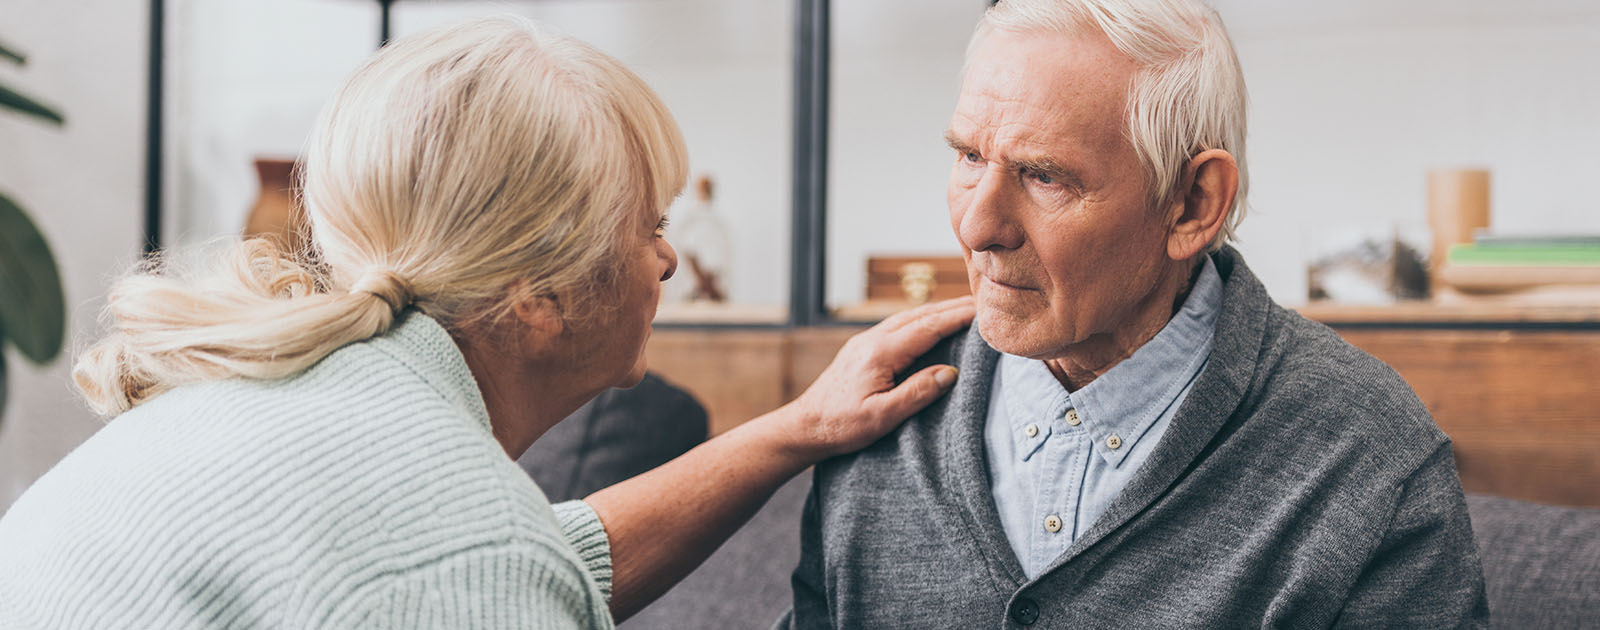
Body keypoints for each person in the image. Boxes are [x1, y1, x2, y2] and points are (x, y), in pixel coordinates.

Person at [0, 17, 974, 630]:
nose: (669, 261)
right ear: (539, 298)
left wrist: (796, 428)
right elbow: (477, 566)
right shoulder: (454, 550)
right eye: (648, 227)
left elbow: (540, 556)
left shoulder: (285, 403)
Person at [783, 1, 1488, 627]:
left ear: (1192, 205)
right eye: (969, 155)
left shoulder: (1365, 453)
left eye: (1042, 175)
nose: (977, 226)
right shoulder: (879, 414)